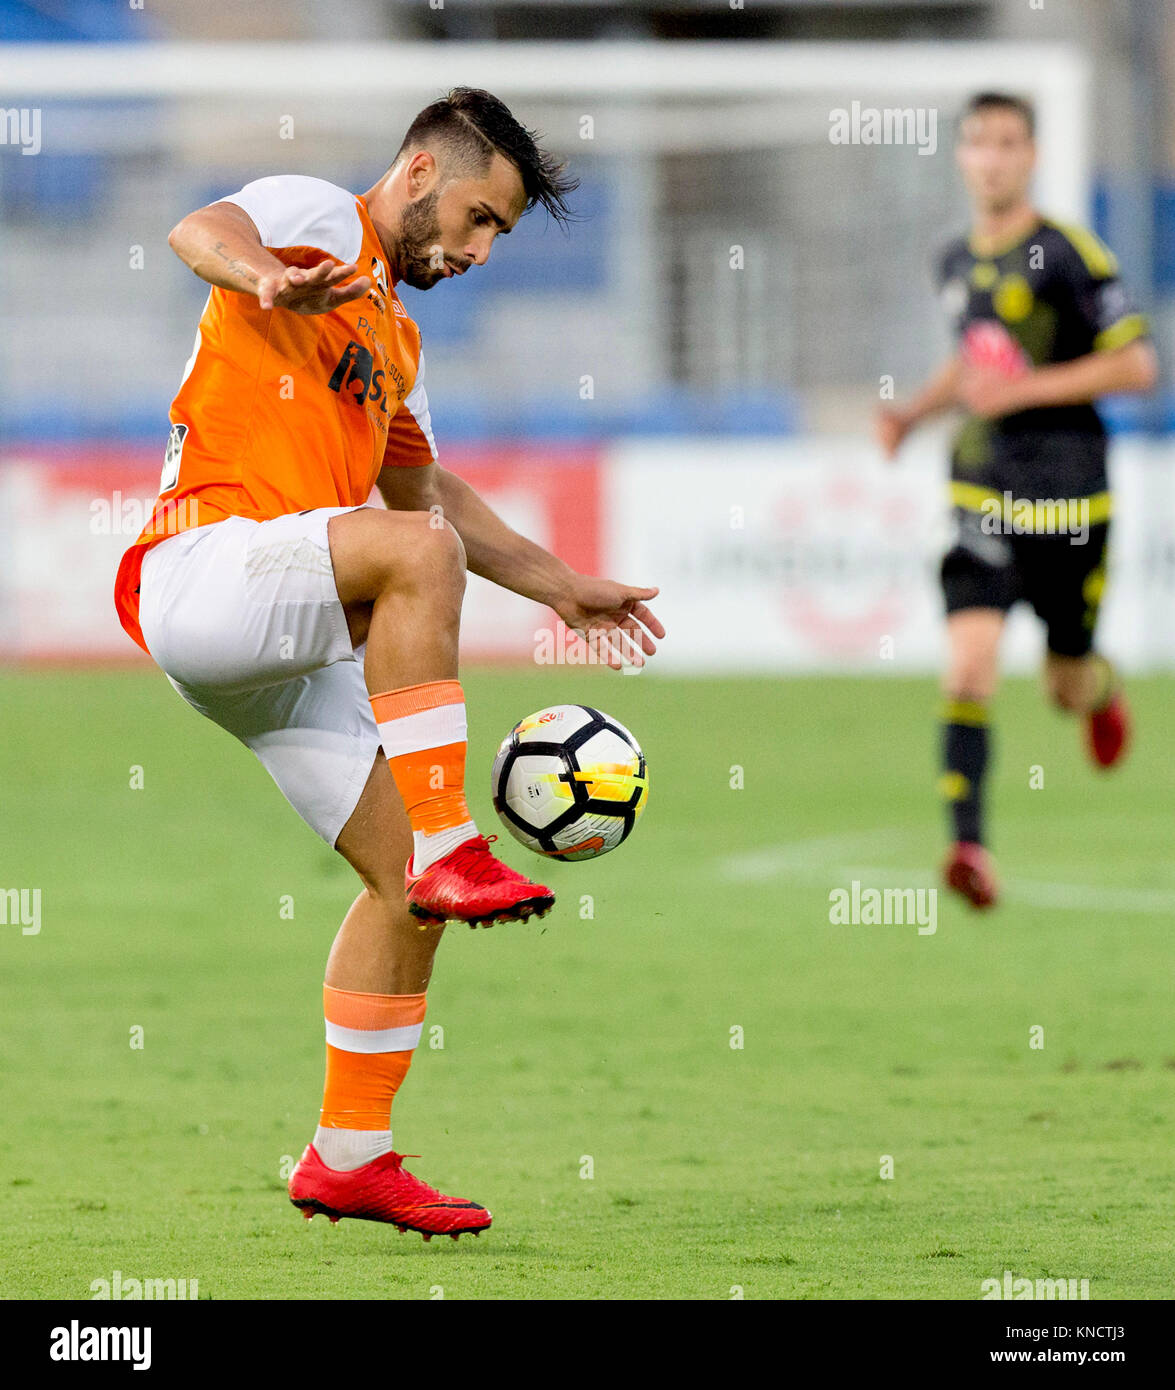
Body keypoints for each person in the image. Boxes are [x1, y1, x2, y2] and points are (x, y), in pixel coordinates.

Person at [113, 88, 664, 1239]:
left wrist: (561, 582)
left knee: (404, 888)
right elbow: (196, 230)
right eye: (476, 219)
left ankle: (347, 1154)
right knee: (416, 567)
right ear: (418, 173)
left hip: (271, 629)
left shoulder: (390, 341)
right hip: (200, 568)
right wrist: (259, 274)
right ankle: (456, 835)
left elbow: (427, 498)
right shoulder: (320, 217)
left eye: (495, 238)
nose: (474, 252)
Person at [875, 91, 1157, 909]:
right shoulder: (952, 259)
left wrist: (1028, 390)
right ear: (961, 157)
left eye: (1007, 143)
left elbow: (1136, 366)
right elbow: (973, 365)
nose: (991, 158)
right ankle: (969, 848)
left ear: (1029, 156)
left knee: (1064, 682)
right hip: (979, 486)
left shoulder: (1068, 253)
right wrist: (913, 414)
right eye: (977, 143)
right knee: (968, 663)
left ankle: (1098, 691)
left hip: (1068, 499)